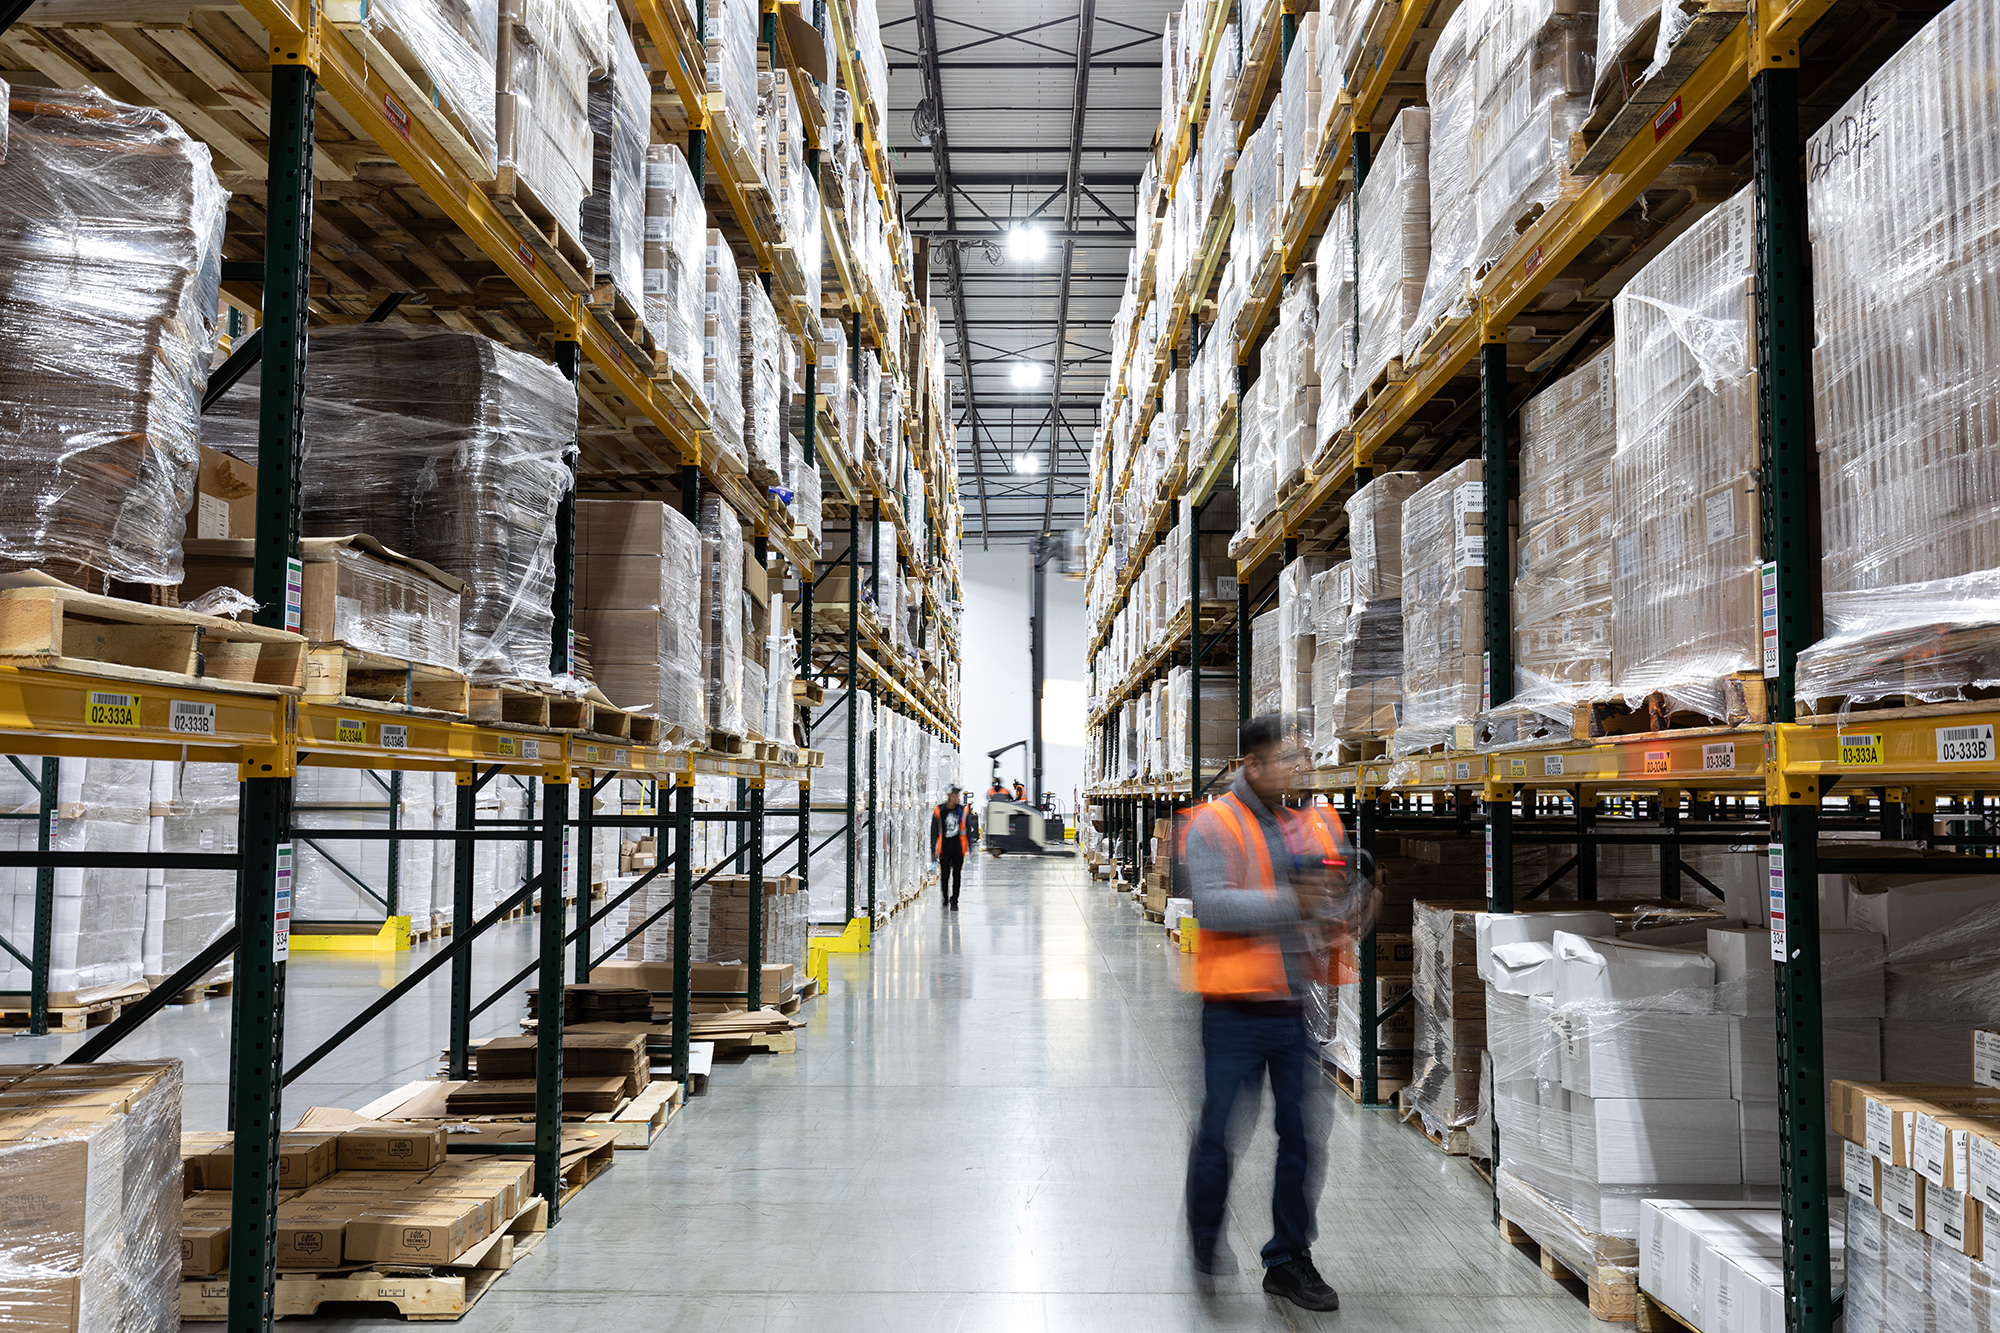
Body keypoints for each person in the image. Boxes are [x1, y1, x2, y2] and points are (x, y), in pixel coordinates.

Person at [1181, 714, 1377, 1313]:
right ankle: (1204, 1235)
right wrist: (1292, 900)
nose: (1297, 767)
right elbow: (1212, 907)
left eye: (1300, 757)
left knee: (1301, 1136)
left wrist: (1357, 893)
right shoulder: (1213, 825)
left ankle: (1289, 1259)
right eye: (1283, 759)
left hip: (1293, 1010)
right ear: (1252, 766)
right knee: (1219, 1135)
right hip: (1233, 1012)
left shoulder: (1310, 823)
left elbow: (1337, 891)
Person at [930, 786, 975, 910]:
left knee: (957, 875)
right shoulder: (939, 810)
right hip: (944, 848)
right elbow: (934, 831)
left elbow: (968, 830)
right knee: (945, 876)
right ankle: (945, 897)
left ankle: (954, 901)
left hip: (958, 849)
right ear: (949, 795)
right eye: (955, 795)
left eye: (958, 795)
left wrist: (970, 848)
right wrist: (932, 850)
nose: (958, 798)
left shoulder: (961, 810)